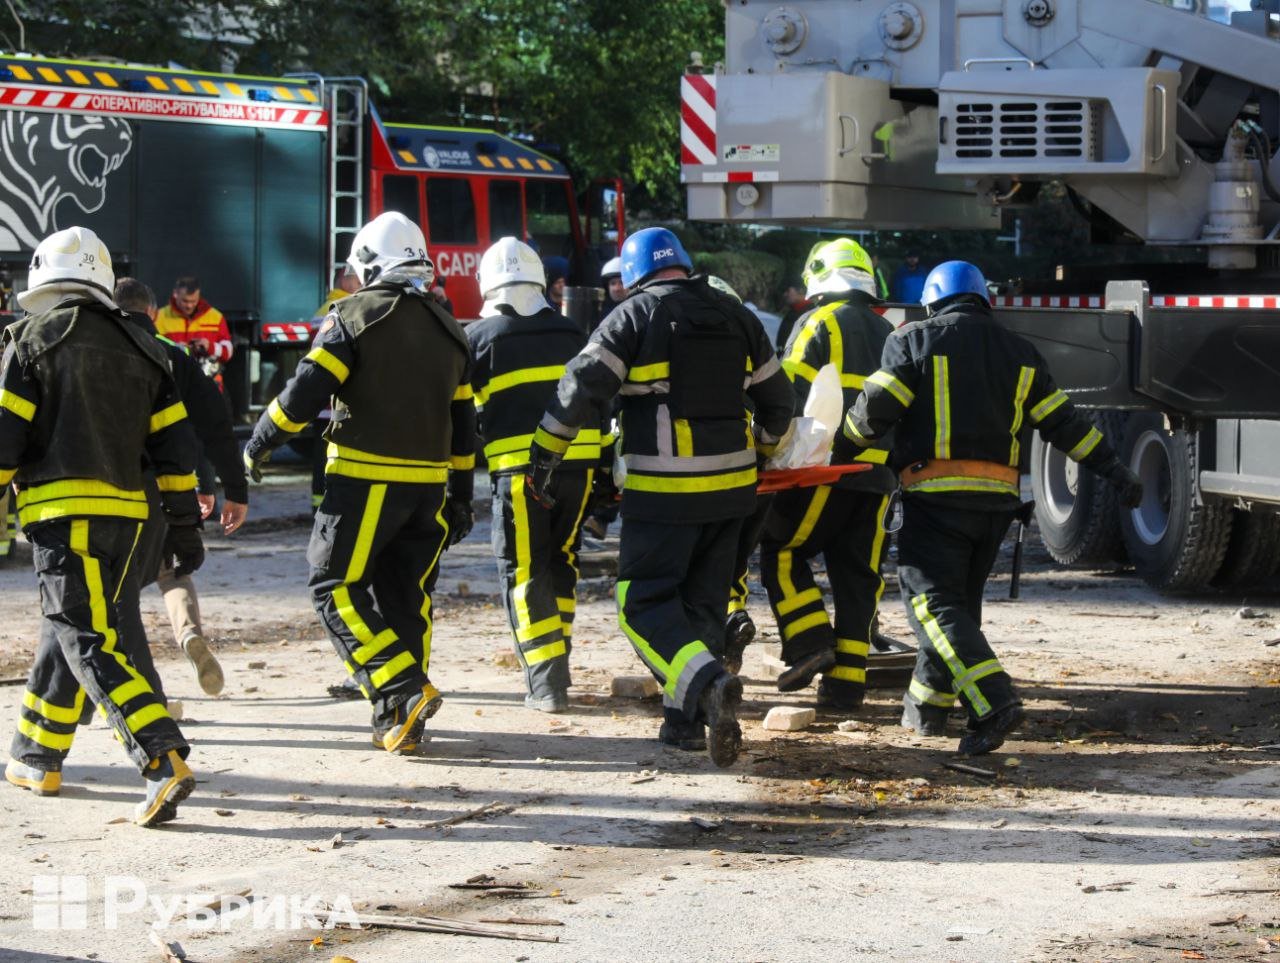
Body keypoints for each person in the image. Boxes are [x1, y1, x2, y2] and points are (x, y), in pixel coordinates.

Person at [837, 260, 1143, 754]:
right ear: (983, 300)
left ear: (933, 303)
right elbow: (1065, 424)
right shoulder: (1020, 353)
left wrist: (840, 449)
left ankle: (993, 702)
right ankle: (926, 710)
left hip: (936, 501)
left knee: (930, 607)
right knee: (956, 608)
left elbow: (874, 411)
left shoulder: (912, 340)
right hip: (997, 508)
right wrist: (1117, 471)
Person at [528, 227, 795, 767]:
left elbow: (580, 385)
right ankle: (685, 726)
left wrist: (545, 454)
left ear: (632, 276)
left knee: (642, 605)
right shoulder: (736, 314)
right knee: (701, 605)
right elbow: (780, 402)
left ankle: (709, 682)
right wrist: (761, 453)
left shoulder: (631, 317)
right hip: (732, 494)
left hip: (664, 493)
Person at [243, 212, 475, 755]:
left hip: (365, 481)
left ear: (369, 265)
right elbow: (466, 426)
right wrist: (461, 497)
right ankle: (400, 720)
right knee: (406, 598)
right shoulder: (451, 328)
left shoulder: (354, 315)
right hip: (430, 489)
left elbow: (305, 393)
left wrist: (257, 444)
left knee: (333, 588)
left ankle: (400, 687)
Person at [1, 226, 204, 826]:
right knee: (73, 627)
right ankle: (37, 754)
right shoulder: (146, 348)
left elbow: (6, 441)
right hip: (134, 525)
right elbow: (175, 448)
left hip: (66, 520)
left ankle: (161, 758)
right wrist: (185, 526)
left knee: (87, 637)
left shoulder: (30, 338)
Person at [759, 239, 896, 710]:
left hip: (826, 469)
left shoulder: (817, 321)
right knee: (859, 575)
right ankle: (845, 689)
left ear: (819, 275)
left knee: (781, 550)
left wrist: (767, 451)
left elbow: (788, 394)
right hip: (878, 477)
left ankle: (808, 640)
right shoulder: (890, 332)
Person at [467, 237, 603, 713]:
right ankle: (557, 658)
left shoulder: (478, 338)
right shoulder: (573, 333)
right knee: (563, 560)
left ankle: (546, 683)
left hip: (521, 475)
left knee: (525, 571)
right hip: (580, 466)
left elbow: (463, 420)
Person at [113, 278, 248, 703]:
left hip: (113, 487)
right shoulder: (174, 357)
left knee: (115, 591)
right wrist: (228, 488)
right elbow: (212, 426)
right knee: (172, 569)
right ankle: (188, 633)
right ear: (153, 313)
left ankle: (134, 691)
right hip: (172, 487)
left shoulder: (102, 355)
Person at [154, 275, 233, 376]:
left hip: (209, 383)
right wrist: (175, 349)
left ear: (199, 296)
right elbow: (153, 348)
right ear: (175, 294)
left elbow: (228, 352)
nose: (189, 305)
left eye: (193, 301)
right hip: (174, 382)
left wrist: (210, 346)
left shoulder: (215, 317)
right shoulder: (160, 317)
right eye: (185, 301)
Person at [774, 278, 810, 354]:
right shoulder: (792, 313)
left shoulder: (811, 315)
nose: (785, 294)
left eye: (788, 291)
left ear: (800, 290)